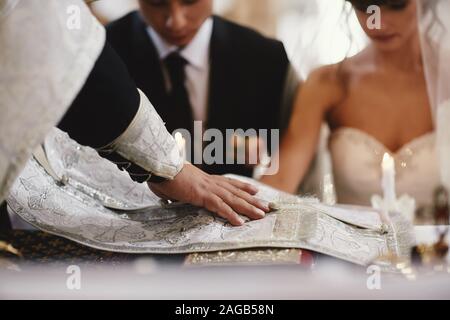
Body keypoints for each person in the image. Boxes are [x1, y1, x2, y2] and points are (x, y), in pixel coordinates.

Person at [0, 0, 269, 229]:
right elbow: (67, 54)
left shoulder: (263, 55)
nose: (175, 22)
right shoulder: (112, 40)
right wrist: (169, 168)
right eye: (157, 3)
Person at [261, 0, 440, 208]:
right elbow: (280, 183)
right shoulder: (327, 83)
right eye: (364, 6)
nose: (378, 23)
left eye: (397, 5)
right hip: (353, 240)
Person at [106, 0, 299, 177]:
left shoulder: (266, 59)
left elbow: (279, 156)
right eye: (157, 3)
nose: (176, 22)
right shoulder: (104, 53)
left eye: (190, 1)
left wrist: (259, 152)